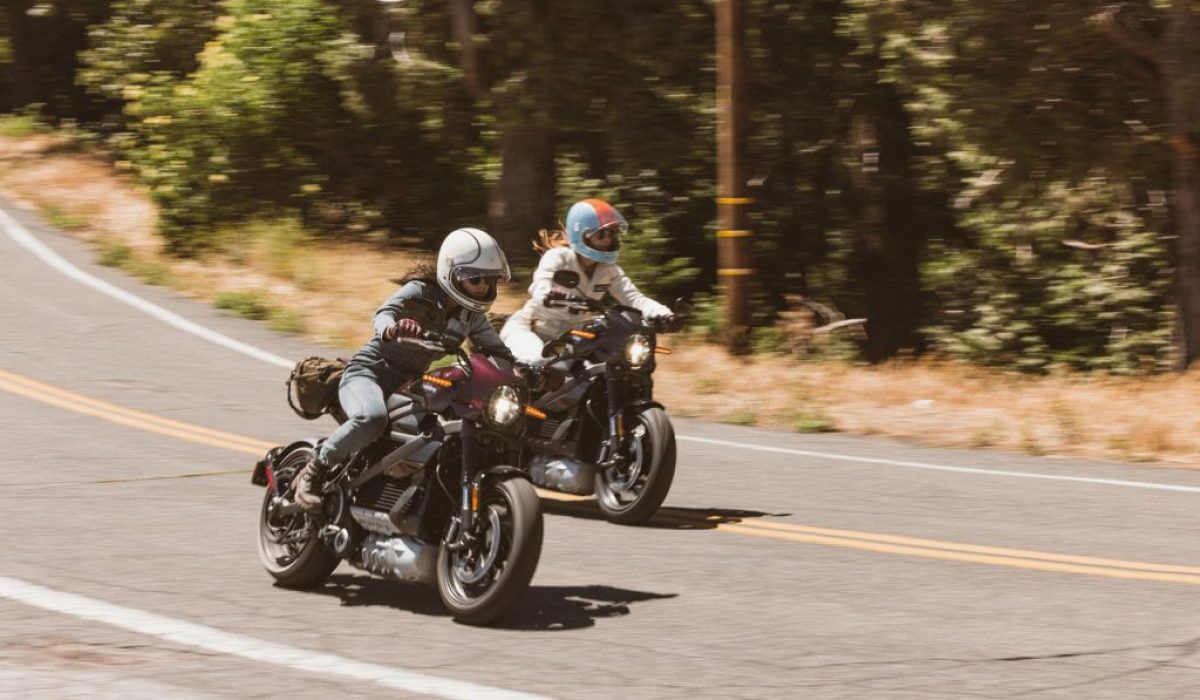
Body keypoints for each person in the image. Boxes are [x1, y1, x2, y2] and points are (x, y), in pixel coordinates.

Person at [294, 227, 514, 511]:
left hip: (410, 383)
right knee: (372, 418)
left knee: (443, 430)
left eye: (490, 280)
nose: (483, 286)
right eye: (475, 278)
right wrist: (393, 328)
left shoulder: (471, 316)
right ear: (451, 273)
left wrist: (526, 371)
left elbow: (497, 351)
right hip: (370, 372)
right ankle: (313, 471)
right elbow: (383, 314)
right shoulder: (420, 292)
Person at [500, 198, 682, 364]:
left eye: (612, 233)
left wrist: (664, 314)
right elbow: (541, 284)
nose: (608, 239)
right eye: (602, 234)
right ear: (581, 235)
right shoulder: (558, 257)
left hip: (570, 337)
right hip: (530, 328)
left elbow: (634, 298)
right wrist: (550, 294)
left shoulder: (608, 270)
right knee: (538, 361)